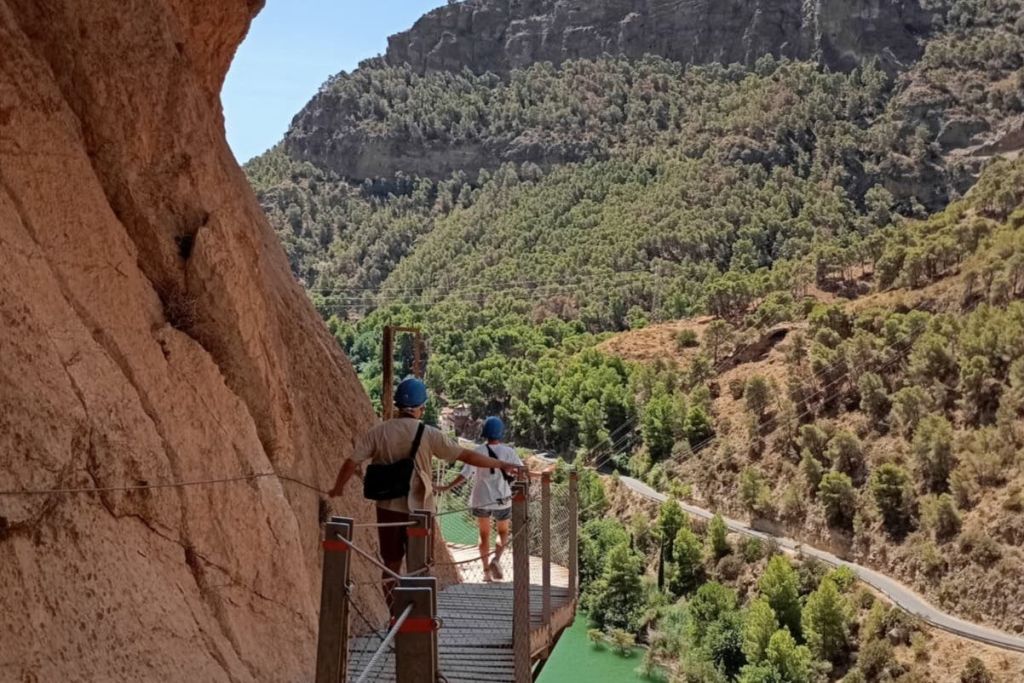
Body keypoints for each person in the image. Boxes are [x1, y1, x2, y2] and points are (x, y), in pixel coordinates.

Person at [328, 378, 521, 602]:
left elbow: (351, 462)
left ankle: (393, 611)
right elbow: (466, 455)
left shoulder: (379, 432)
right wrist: (501, 464)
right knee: (420, 566)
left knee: (391, 564)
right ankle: (417, 611)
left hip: (388, 509)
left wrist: (337, 488)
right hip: (420, 510)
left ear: (398, 405)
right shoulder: (428, 434)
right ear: (422, 407)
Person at [436, 416, 548, 582]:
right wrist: (541, 475)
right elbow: (521, 472)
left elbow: (465, 475)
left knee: (483, 535)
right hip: (502, 499)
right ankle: (496, 559)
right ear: (501, 433)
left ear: (485, 432)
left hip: (481, 499)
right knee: (502, 532)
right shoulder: (509, 452)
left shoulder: (477, 452)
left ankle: (486, 572)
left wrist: (446, 487)